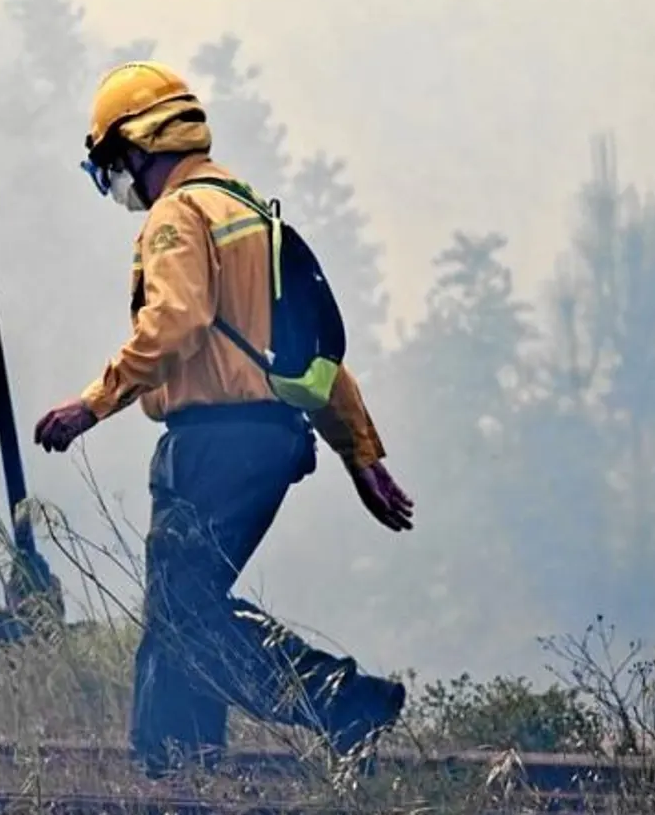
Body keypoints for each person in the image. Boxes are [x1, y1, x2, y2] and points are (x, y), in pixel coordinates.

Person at [30, 60, 414, 779]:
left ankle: (341, 699)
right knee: (181, 605)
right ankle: (179, 766)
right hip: (272, 440)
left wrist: (91, 403)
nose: (122, 184)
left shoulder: (177, 216)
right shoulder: (249, 211)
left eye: (117, 166)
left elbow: (176, 321)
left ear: (141, 147)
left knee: (185, 616)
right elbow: (311, 353)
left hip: (215, 442)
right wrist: (359, 453)